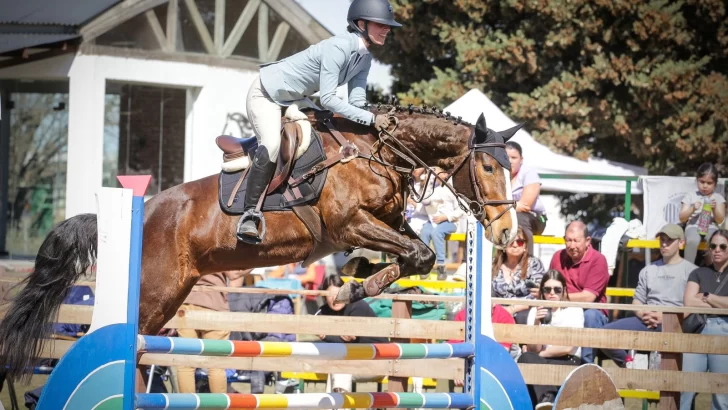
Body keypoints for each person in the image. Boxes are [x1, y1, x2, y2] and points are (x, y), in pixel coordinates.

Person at [237, 0, 402, 243]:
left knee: (330, 137)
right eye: (381, 24)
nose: (387, 29)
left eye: (387, 25)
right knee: (271, 144)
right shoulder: (338, 47)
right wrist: (371, 118)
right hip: (267, 94)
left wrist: (379, 116)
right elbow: (328, 98)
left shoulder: (364, 58)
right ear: (361, 24)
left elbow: (357, 102)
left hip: (296, 99)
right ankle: (249, 215)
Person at [599, 224, 696, 367]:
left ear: (681, 243)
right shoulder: (648, 270)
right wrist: (644, 313)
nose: (664, 243)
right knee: (603, 334)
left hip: (676, 324)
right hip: (647, 320)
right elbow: (637, 301)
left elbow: (692, 305)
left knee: (670, 374)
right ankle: (630, 364)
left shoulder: (692, 271)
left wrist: (666, 317)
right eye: (662, 239)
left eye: (669, 240)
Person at [517, 270, 584, 409]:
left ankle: (548, 399)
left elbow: (568, 348)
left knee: (529, 359)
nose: (552, 293)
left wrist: (541, 354)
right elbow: (534, 349)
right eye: (547, 289)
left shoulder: (574, 310)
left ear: (564, 291)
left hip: (567, 360)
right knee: (525, 358)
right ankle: (548, 399)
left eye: (557, 289)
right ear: (542, 291)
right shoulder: (536, 311)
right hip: (543, 361)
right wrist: (537, 323)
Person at [176, 270, 249, 393]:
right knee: (216, 365)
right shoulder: (221, 249)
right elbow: (234, 275)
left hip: (186, 301)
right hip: (214, 303)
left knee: (186, 365)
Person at [548, 220, 609, 364]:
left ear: (588, 241)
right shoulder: (557, 257)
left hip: (591, 312)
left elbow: (588, 298)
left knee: (590, 316)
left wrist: (559, 297)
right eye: (569, 240)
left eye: (576, 240)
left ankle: (585, 365)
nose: (572, 245)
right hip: (562, 309)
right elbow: (550, 286)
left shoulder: (598, 260)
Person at [680, 229, 728, 410]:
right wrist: (720, 305)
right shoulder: (698, 272)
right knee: (686, 387)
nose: (717, 250)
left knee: (722, 393)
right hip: (698, 330)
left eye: (723, 246)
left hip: (724, 330)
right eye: (713, 246)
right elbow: (689, 302)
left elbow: (697, 299)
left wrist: (706, 296)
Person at [316, 275, 388, 393]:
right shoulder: (324, 311)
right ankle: (336, 404)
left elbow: (349, 340)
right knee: (337, 366)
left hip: (378, 362)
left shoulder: (357, 306)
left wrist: (325, 335)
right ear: (324, 297)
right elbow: (315, 323)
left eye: (339, 293)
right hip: (353, 361)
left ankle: (339, 404)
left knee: (339, 366)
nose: (336, 298)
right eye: (330, 295)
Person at [491, 227, 546, 324]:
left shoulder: (534, 264)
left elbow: (535, 295)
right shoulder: (493, 265)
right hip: (497, 311)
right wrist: (500, 310)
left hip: (525, 311)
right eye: (511, 241)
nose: (515, 245)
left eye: (520, 242)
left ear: (525, 246)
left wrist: (512, 309)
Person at [419, 167, 465, 280]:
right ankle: (426, 263)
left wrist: (446, 217)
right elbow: (425, 200)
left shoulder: (454, 190)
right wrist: (428, 182)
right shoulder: (434, 189)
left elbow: (460, 210)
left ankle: (441, 265)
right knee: (424, 233)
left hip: (449, 221)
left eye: (436, 171)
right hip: (434, 221)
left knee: (436, 233)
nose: (434, 173)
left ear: (445, 174)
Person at [679, 163, 726, 265]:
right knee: (692, 240)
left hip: (711, 226)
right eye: (702, 182)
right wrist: (692, 208)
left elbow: (720, 220)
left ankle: (716, 268)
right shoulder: (691, 195)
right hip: (693, 226)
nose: (705, 186)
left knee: (715, 241)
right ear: (697, 180)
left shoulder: (718, 198)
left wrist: (714, 209)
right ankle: (688, 269)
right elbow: (682, 218)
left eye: (709, 183)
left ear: (715, 184)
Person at [506, 141, 547, 254]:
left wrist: (503, 205)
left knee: (518, 218)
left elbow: (526, 205)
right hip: (507, 216)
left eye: (514, 157)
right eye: (506, 157)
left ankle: (528, 262)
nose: (509, 161)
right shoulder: (496, 175)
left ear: (521, 159)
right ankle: (467, 262)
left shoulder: (529, 173)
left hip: (535, 218)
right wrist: (515, 205)